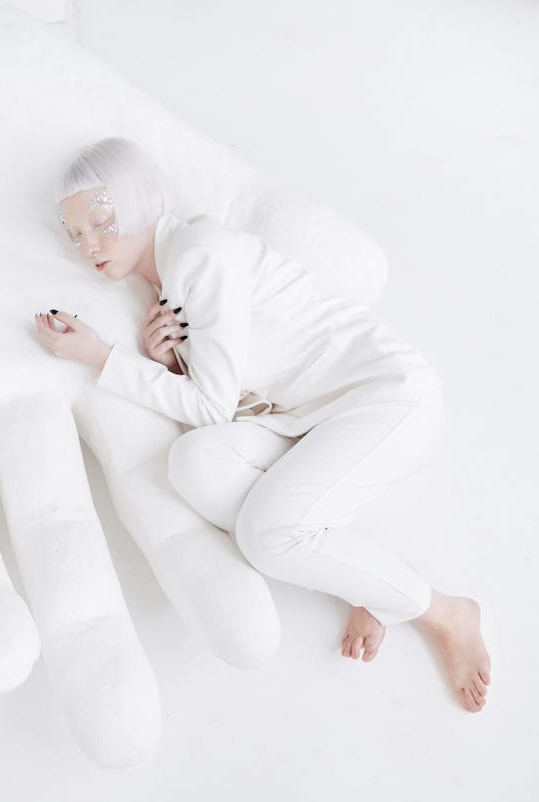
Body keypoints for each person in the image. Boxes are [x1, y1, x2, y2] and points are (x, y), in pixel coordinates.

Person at [34, 136, 491, 713]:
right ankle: (364, 582)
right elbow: (229, 399)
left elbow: (213, 406)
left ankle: (445, 611)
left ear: (137, 200)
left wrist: (103, 357)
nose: (89, 245)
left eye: (100, 220)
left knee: (266, 538)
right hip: (312, 421)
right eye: (76, 234)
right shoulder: (171, 280)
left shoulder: (196, 252)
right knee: (194, 462)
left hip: (388, 399)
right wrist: (171, 363)